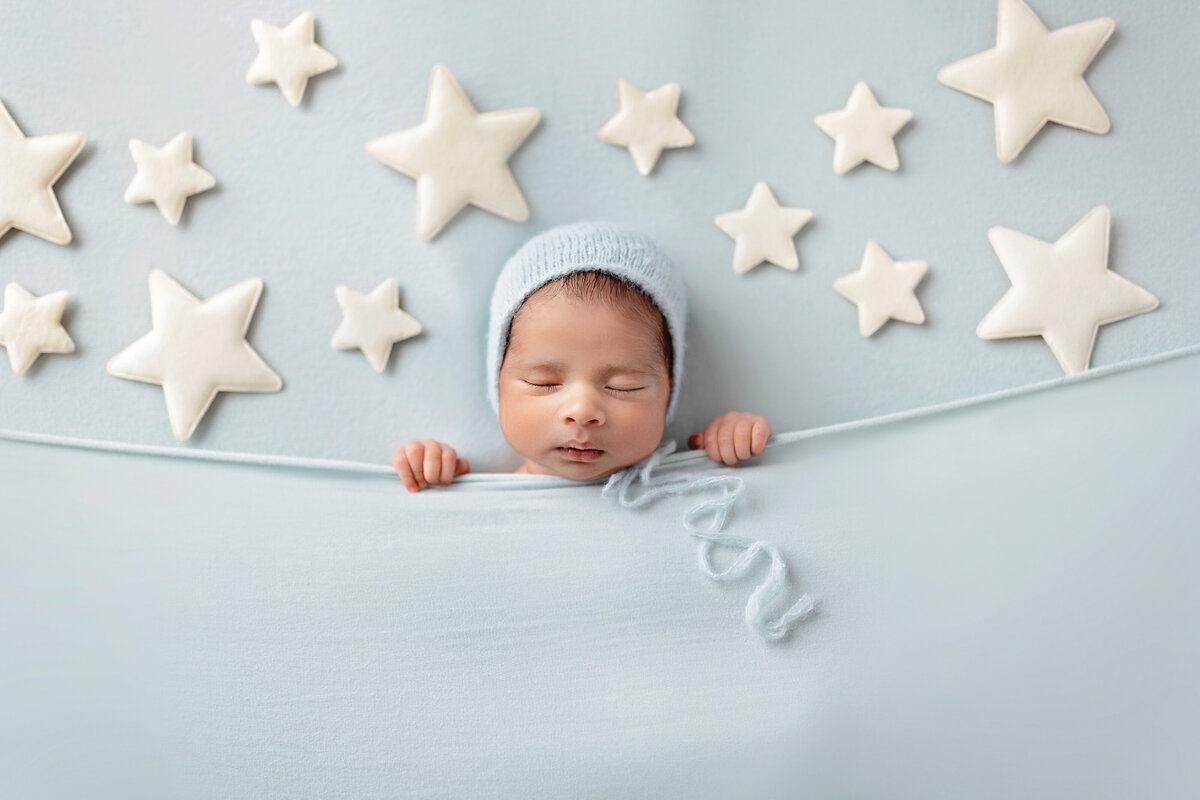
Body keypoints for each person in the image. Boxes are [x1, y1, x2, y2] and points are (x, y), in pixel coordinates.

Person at [391, 220, 771, 492]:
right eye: (544, 382)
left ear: (669, 390)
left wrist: (732, 442)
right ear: (499, 383)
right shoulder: (490, 497)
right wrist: (432, 472)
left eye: (624, 386)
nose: (582, 410)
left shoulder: (679, 486)